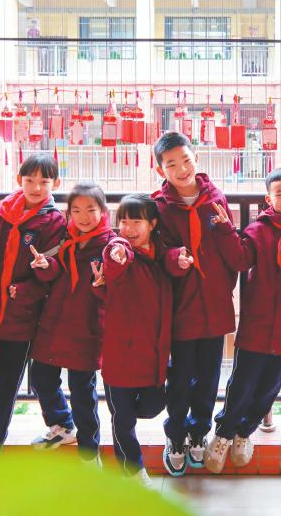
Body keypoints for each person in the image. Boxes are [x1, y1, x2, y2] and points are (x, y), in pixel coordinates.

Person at [203, 168, 281, 473]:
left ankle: (244, 433)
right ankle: (223, 434)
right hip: (257, 325)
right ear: (268, 199)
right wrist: (225, 230)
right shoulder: (256, 231)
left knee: (269, 387)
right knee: (242, 383)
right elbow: (239, 259)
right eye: (279, 194)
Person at [0, 154, 66, 449]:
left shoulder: (54, 221)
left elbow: (55, 272)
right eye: (29, 180)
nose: (36, 187)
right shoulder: (0, 211)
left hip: (21, 316)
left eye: (44, 181)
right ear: (19, 180)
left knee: (7, 383)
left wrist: (29, 287)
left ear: (55, 184)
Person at [152, 132, 238, 476]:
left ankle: (199, 431)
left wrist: (223, 286)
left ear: (196, 159)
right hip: (181, 308)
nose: (181, 169)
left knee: (208, 377)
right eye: (172, 164)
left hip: (214, 304)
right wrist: (176, 259)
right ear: (161, 169)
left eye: (186, 160)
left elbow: (229, 248)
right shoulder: (159, 206)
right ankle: (175, 436)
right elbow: (157, 253)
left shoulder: (216, 199)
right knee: (179, 376)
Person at [27, 182, 116, 461]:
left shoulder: (111, 245)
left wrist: (104, 283)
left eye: (90, 210)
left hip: (86, 327)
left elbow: (116, 288)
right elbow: (58, 274)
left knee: (82, 393)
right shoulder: (65, 239)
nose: (83, 216)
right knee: (41, 377)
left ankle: (89, 453)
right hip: (54, 323)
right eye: (76, 210)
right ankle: (62, 425)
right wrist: (45, 267)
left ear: (103, 212)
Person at [100, 194, 173, 487]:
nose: (128, 229)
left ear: (152, 224)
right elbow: (115, 256)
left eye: (136, 222)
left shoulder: (161, 257)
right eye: (124, 222)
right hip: (118, 356)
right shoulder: (120, 251)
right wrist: (117, 253)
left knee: (154, 406)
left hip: (151, 356)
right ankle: (133, 470)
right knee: (123, 419)